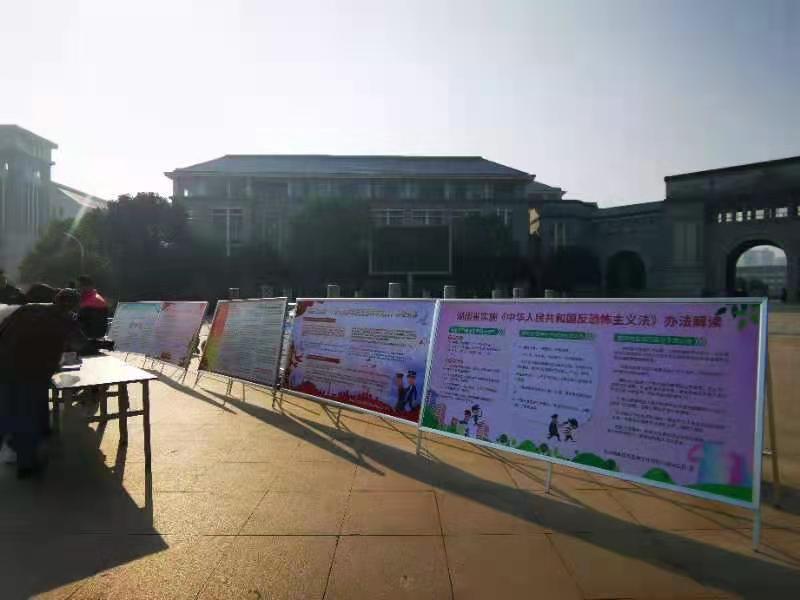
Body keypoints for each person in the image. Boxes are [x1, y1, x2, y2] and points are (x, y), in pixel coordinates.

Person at [0, 289, 83, 478]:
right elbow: (79, 344)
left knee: (5, 411)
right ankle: (26, 465)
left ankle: (18, 445)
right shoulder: (66, 320)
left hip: (4, 366)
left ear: (55, 299)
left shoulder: (27, 309)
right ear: (74, 306)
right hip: (32, 372)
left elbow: (3, 328)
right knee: (27, 414)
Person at [77, 275, 109, 339]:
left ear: (90, 286)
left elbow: (91, 328)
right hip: (90, 337)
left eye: (81, 286)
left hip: (89, 339)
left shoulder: (94, 301)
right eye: (79, 286)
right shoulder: (85, 299)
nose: (79, 289)